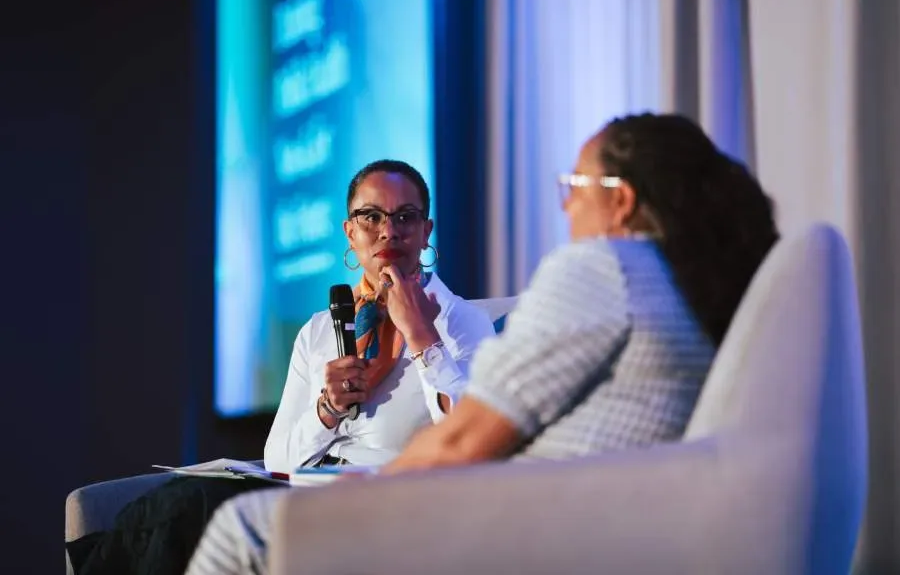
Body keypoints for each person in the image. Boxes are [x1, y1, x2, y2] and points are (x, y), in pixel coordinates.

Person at [185, 113, 780, 574]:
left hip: (516, 524)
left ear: (619, 201)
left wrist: (355, 498)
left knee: (241, 529)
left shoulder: (601, 270)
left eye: (575, 185)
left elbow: (466, 442)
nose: (567, 203)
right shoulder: (692, 287)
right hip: (576, 518)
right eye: (371, 218)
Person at [67, 159, 494, 575]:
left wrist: (422, 337)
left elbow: (476, 440)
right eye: (370, 216)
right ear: (350, 232)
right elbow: (279, 458)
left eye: (406, 216)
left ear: (426, 231)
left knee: (187, 509)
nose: (389, 230)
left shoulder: (460, 322)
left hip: (387, 503)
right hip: (305, 495)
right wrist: (326, 409)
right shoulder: (321, 328)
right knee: (175, 506)